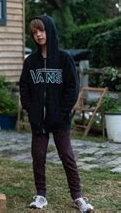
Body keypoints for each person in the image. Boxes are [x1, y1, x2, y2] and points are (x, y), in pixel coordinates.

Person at [19, 15, 94, 212]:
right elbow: (24, 87)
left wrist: (61, 112)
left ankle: (77, 197)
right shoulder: (31, 62)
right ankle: (41, 195)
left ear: (49, 31)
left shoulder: (64, 58)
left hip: (59, 119)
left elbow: (72, 88)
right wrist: (31, 109)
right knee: (38, 155)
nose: (38, 35)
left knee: (67, 156)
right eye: (34, 33)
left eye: (41, 30)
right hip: (39, 120)